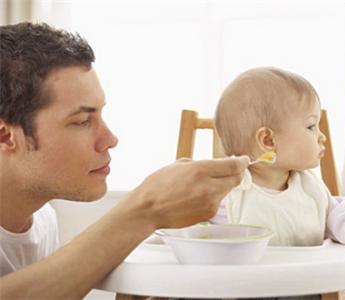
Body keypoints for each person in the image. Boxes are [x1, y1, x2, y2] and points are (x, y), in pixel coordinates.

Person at [0, 22, 249, 299]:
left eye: (99, 116)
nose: (110, 139)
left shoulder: (42, 221)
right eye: (82, 121)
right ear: (5, 135)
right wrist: (144, 209)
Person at [212, 67, 345, 255]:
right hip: (247, 287)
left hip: (308, 286)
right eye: (311, 126)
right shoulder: (227, 194)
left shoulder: (310, 188)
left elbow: (342, 218)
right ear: (268, 141)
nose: (322, 137)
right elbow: (192, 231)